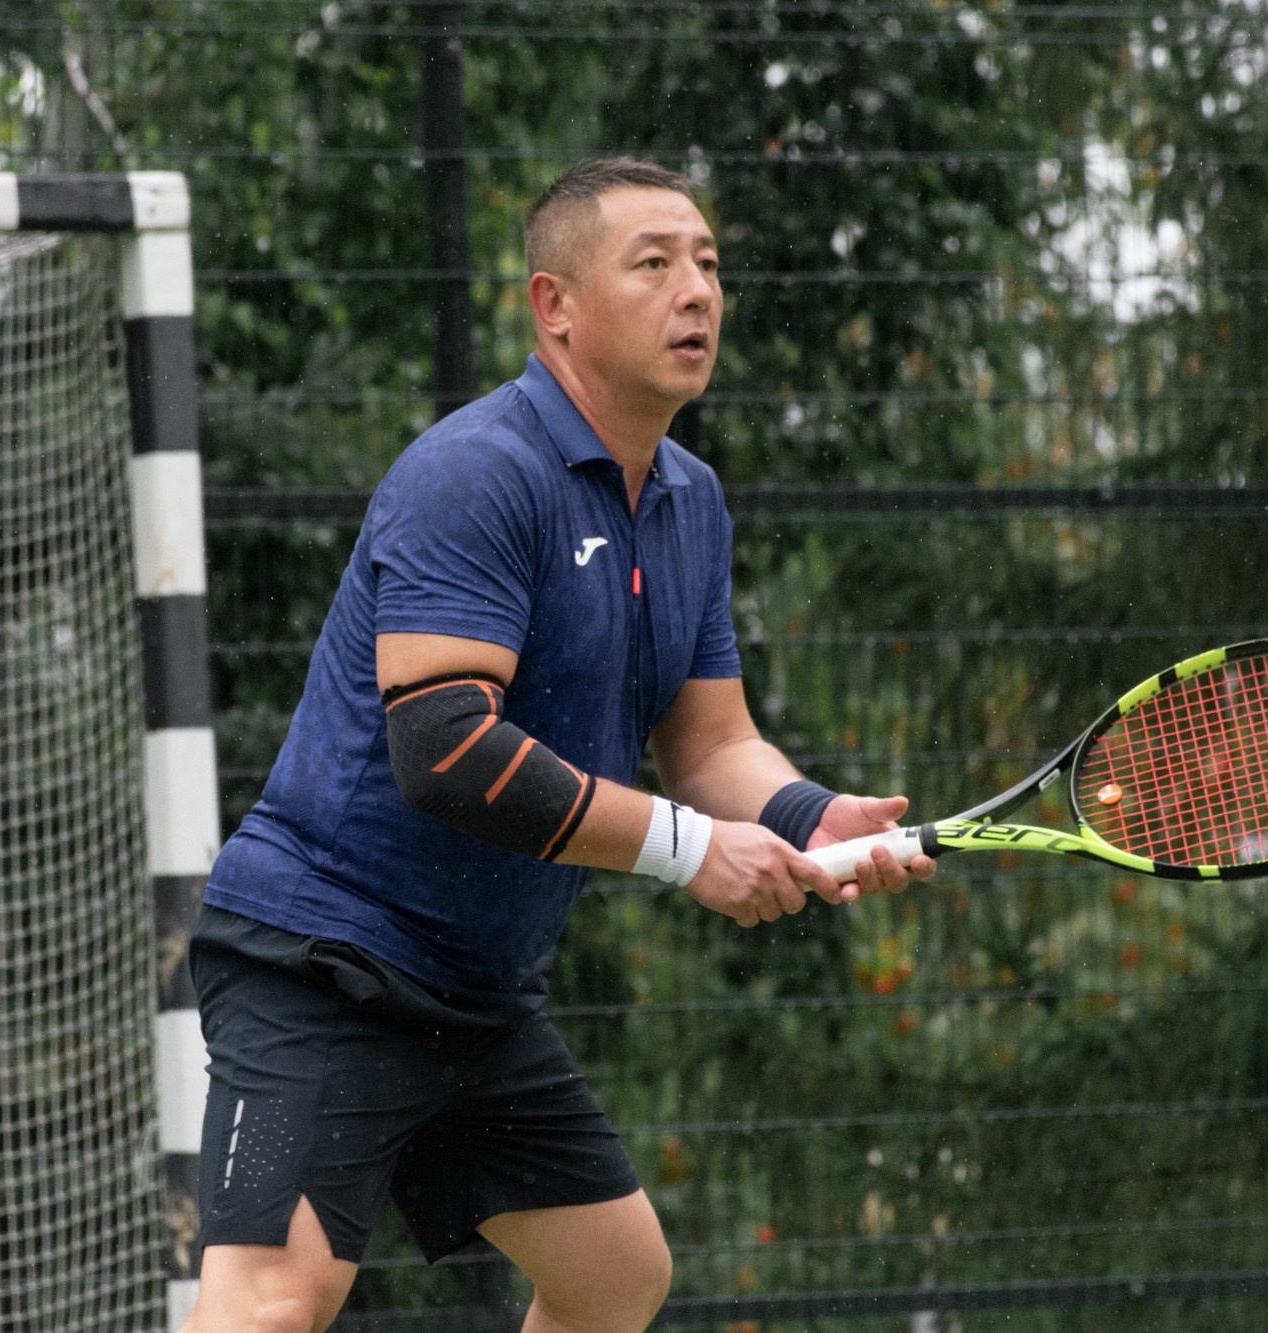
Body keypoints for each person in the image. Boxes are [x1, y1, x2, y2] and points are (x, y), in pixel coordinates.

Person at [181, 156, 936, 1333]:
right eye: (653, 263)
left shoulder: (688, 500)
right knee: (272, 1300)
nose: (696, 291)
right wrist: (692, 853)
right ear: (554, 306)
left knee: (611, 1275)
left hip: (471, 996)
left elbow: (711, 742)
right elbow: (446, 748)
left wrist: (806, 815)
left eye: (707, 264)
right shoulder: (474, 474)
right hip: (313, 968)